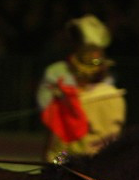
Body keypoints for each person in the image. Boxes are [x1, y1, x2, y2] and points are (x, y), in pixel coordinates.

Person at [37, 15, 126, 162]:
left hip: (94, 151)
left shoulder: (108, 83)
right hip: (63, 146)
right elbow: (46, 107)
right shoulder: (57, 72)